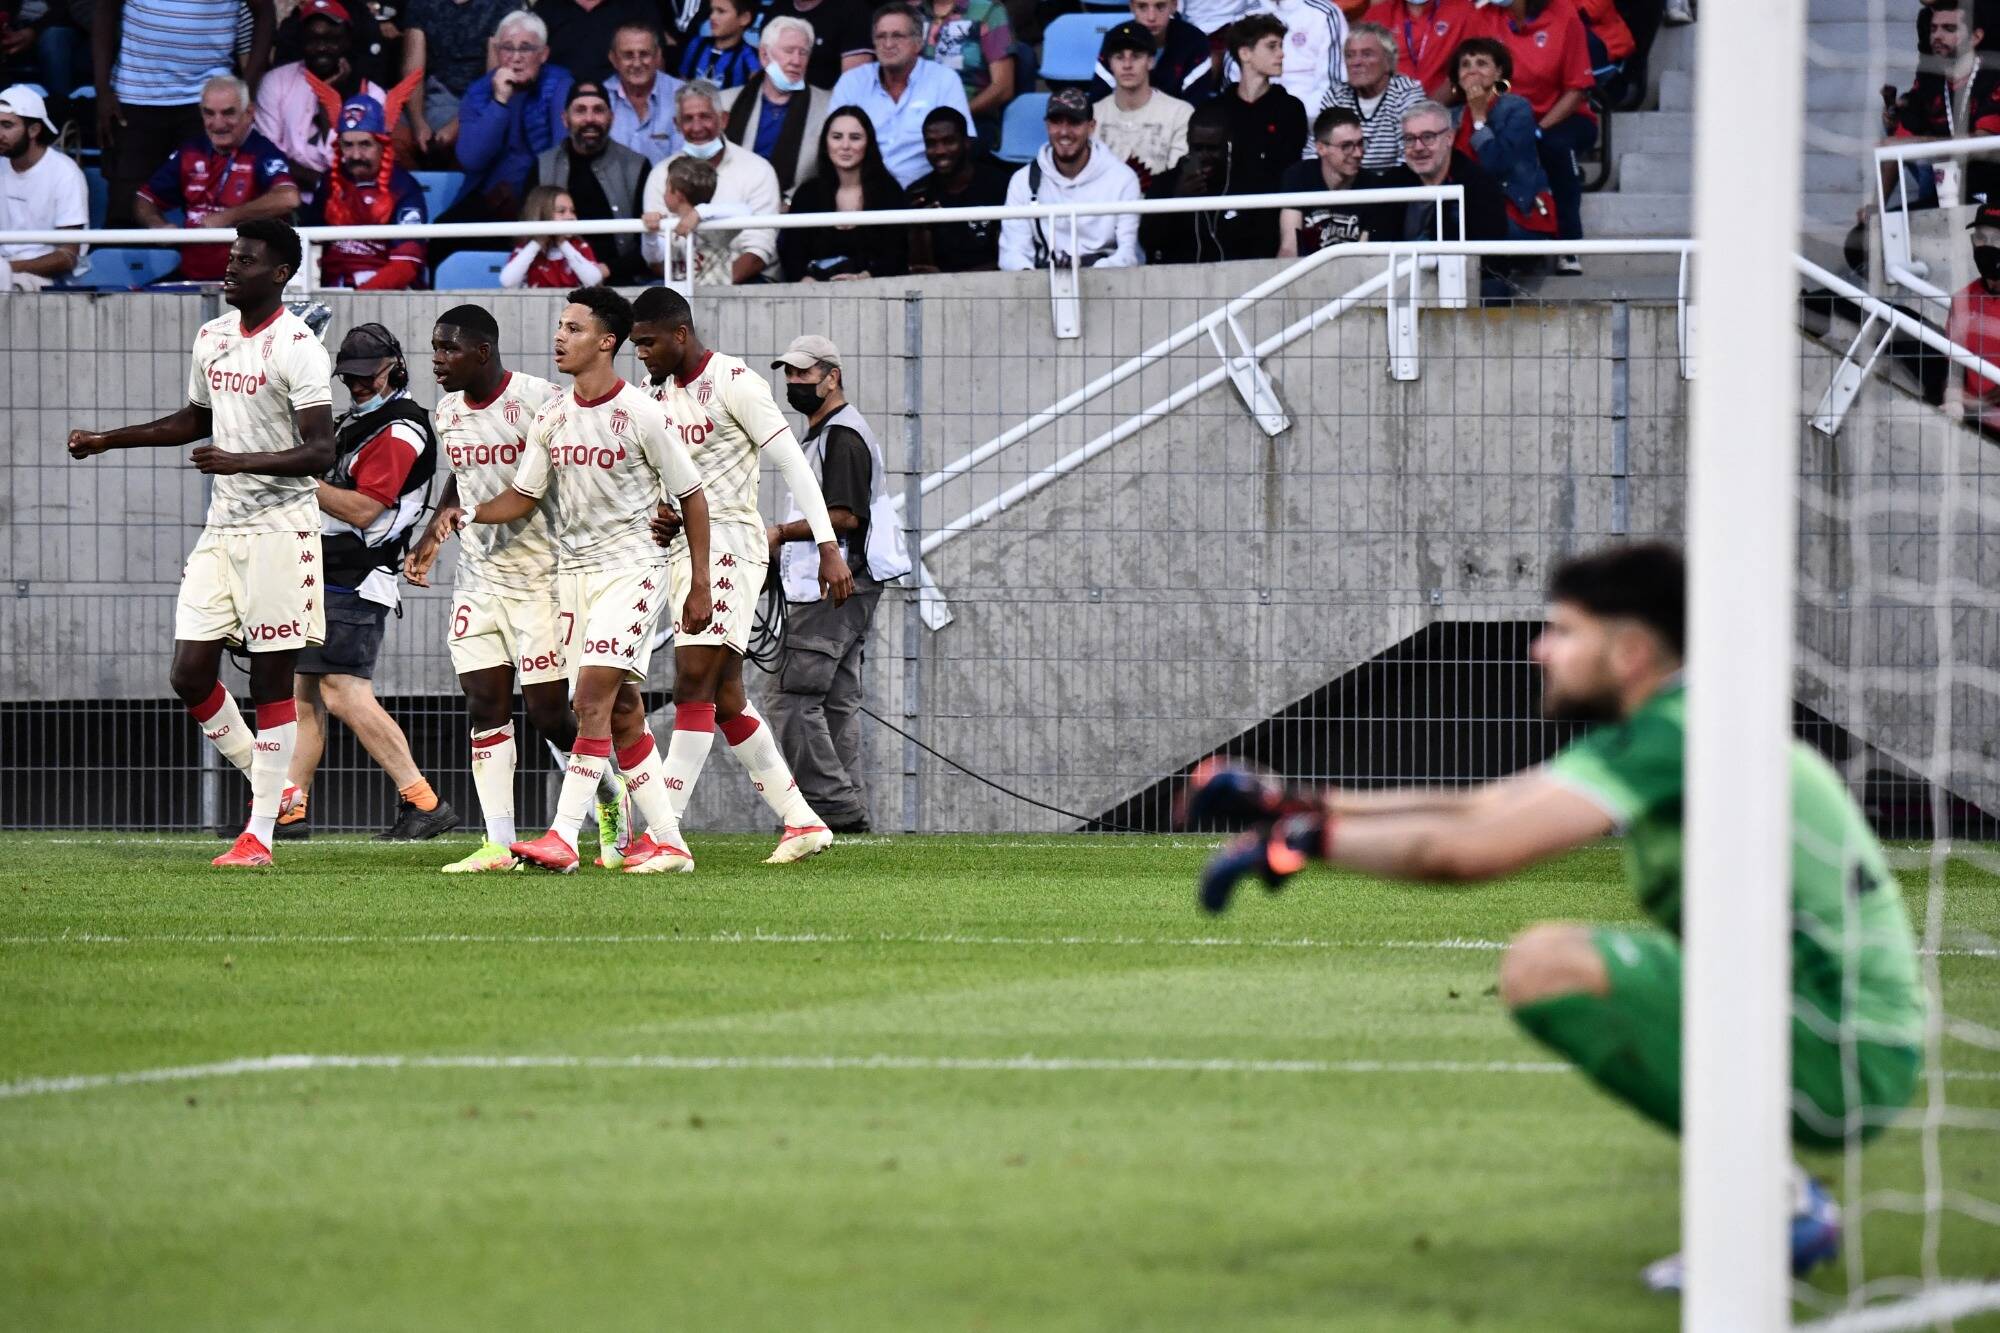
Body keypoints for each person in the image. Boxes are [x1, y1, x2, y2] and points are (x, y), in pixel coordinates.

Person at [1188, 542, 1923, 1292]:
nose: (1539, 648)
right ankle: (1766, 1198)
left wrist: (1310, 841)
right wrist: (1298, 805)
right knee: (1555, 956)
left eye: (1563, 630)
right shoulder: (1674, 724)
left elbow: (1470, 848)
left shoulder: (1680, 733)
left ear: (1630, 649)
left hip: (1843, 1048)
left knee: (1548, 964)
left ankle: (1771, 1203)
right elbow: (1483, 804)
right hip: (1800, 1021)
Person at [65, 219, 334, 869]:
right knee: (188, 671)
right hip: (222, 530)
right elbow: (194, 419)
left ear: (280, 274)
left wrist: (242, 463)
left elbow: (324, 449)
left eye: (247, 259)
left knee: (274, 681)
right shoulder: (211, 335)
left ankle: (259, 835)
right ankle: (272, 788)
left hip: (282, 531)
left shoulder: (298, 345)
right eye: (232, 254)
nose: (232, 265)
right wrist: (109, 439)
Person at [462, 286, 715, 875]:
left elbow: (693, 495)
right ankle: (671, 843)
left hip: (632, 570)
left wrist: (699, 583)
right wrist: (465, 512)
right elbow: (524, 496)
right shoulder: (552, 414)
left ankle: (562, 835)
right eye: (560, 326)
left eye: (573, 328)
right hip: (572, 575)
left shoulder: (643, 413)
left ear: (607, 342)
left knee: (590, 699)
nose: (559, 337)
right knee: (623, 710)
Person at [402, 304, 632, 872]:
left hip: (543, 579)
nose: (437, 359)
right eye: (435, 347)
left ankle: (612, 798)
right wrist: (435, 532)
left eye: (449, 348)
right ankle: (498, 843)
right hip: (479, 579)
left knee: (551, 713)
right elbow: (461, 473)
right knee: (484, 704)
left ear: (482, 352)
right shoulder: (447, 411)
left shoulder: (539, 401)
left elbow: (573, 469)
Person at [628, 291, 855, 861]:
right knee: (727, 696)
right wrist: (663, 512)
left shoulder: (736, 381)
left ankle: (665, 831)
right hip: (687, 546)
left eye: (648, 343)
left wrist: (828, 547)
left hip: (730, 545)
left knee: (692, 686)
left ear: (680, 334)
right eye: (635, 345)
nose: (641, 355)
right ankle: (802, 822)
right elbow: (673, 478)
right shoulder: (658, 394)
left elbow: (794, 465)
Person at [276, 323, 458, 843]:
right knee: (304, 696)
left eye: (365, 375)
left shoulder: (398, 429)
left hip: (355, 576)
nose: (355, 384)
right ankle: (289, 810)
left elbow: (363, 510)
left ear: (393, 368)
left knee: (342, 692)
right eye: (348, 376)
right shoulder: (362, 420)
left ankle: (424, 801)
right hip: (329, 573)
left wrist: (297, 477)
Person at [766, 334, 905, 836]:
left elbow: (844, 515)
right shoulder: (831, 432)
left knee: (791, 696)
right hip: (848, 583)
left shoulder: (840, 435)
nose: (794, 382)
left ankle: (832, 809)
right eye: (789, 374)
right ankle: (849, 813)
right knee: (835, 702)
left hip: (834, 584)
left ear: (833, 376)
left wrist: (779, 533)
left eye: (804, 374)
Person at [94, 0, 276, 227]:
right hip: (135, 97)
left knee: (213, 210)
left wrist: (244, 91)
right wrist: (101, 89)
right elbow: (104, 9)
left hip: (208, 102)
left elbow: (266, 12)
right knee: (126, 209)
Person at [135, 76, 302, 284]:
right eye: (209, 113)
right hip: (191, 276)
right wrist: (157, 225)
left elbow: (288, 198)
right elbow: (145, 198)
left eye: (228, 113)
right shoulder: (191, 151)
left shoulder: (261, 151)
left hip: (250, 281)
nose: (218, 123)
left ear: (249, 113)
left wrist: (228, 217)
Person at [641, 79, 783, 282]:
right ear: (677, 125)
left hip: (744, 281)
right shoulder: (660, 173)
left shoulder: (758, 169)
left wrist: (714, 285)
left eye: (705, 117)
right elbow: (656, 260)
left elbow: (758, 250)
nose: (697, 127)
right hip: (680, 281)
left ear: (723, 119)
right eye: (688, 119)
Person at [828, 2, 975, 188]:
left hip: (926, 195)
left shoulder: (944, 80)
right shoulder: (852, 82)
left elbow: (961, 146)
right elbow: (832, 144)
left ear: (918, 43)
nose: (888, 44)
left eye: (897, 36)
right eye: (881, 37)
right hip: (863, 193)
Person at [1493, 0, 1594, 271]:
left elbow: (1577, 90)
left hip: (1562, 115)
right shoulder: (1485, 15)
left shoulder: (1564, 14)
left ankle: (1569, 244)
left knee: (1555, 147)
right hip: (1508, 114)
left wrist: (1538, 129)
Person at [998, 86, 1144, 271]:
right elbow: (1012, 253)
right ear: (1047, 126)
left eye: (1074, 122)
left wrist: (1090, 276)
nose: (1064, 132)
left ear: (1091, 127)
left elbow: (1128, 255)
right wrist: (1033, 284)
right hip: (1043, 284)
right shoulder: (1022, 181)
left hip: (1107, 283)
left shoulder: (1123, 179)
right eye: (1057, 122)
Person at [451, 9, 572, 223]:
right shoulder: (478, 91)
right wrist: (499, 102)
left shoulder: (559, 84)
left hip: (542, 201)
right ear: (497, 51)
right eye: (507, 48)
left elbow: (561, 154)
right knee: (442, 240)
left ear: (543, 54)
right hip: (487, 200)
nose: (515, 58)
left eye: (526, 49)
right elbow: (471, 159)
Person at [255, 0, 386, 193]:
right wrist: (319, 184)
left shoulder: (372, 94)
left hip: (351, 198)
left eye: (332, 39)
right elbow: (266, 156)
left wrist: (327, 100)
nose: (322, 47)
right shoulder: (276, 82)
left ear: (347, 40)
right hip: (289, 194)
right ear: (301, 42)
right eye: (313, 40)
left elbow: (360, 164)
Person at [306, 90, 430, 289]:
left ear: (383, 144)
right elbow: (307, 245)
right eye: (348, 145)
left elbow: (406, 265)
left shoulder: (404, 187)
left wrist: (359, 299)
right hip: (332, 291)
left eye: (365, 144)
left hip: (385, 296)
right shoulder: (330, 182)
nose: (356, 155)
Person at [1886, 0, 2000, 210]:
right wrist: (1912, 102)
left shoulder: (1990, 11)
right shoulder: (1925, 20)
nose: (1937, 36)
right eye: (1933, 29)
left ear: (1976, 35)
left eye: (1948, 29)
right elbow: (1927, 73)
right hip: (1951, 124)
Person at [532, 78, 650, 280]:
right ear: (564, 119)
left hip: (621, 282)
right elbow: (526, 236)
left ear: (611, 118)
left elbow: (649, 243)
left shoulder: (635, 166)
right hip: (556, 282)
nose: (589, 119)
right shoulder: (543, 166)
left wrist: (606, 271)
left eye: (598, 110)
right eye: (580, 110)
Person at [780, 106, 910, 279]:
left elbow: (897, 254)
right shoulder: (807, 194)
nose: (845, 146)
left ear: (868, 143)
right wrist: (806, 280)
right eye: (837, 137)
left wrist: (863, 277)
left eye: (855, 138)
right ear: (825, 144)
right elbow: (791, 254)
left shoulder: (889, 192)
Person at [1140, 101, 1278, 263]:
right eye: (1198, 148)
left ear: (1228, 144)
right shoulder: (1166, 183)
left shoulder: (1250, 183)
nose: (1204, 156)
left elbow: (1266, 243)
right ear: (1188, 142)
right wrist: (1177, 201)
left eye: (1212, 149)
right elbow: (1148, 241)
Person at [1447, 35, 1554, 240]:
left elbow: (1496, 164)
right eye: (1465, 64)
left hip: (1512, 209)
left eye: (1482, 63)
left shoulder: (1517, 109)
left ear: (1498, 72)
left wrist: (1479, 118)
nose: (1472, 70)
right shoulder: (1451, 116)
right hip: (1462, 207)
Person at [720, 15, 832, 198]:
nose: (796, 61)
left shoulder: (827, 107)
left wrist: (790, 203)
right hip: (731, 204)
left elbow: (828, 172)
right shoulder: (726, 103)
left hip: (793, 212)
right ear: (764, 55)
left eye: (803, 53)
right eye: (789, 51)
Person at [1366, 97, 1506, 241]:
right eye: (1409, 139)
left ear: (1449, 138)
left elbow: (1488, 256)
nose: (1418, 147)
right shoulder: (1390, 184)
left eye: (1428, 137)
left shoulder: (1480, 187)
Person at [399, 0, 511, 162]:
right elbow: (412, 69)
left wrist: (456, 125)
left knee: (469, 142)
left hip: (476, 99)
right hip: (429, 95)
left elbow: (492, 78)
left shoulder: (501, 5)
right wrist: (417, 122)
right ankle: (411, 187)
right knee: (392, 138)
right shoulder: (420, 4)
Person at [0, 84, 86, 290]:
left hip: (44, 279)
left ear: (34, 130)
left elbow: (67, 256)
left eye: (7, 125)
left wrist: (7, 268)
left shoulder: (65, 172)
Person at [906, 105, 1011, 271]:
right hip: (939, 292)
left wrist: (956, 279)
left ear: (967, 143)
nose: (940, 151)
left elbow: (1009, 260)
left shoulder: (999, 186)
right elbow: (919, 270)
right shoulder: (918, 194)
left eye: (949, 141)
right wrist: (919, 229)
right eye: (931, 143)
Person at [1094, 21, 1194, 185]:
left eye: (1136, 56)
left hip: (1161, 206)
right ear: (1110, 64)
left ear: (1151, 61)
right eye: (1119, 57)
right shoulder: (1094, 115)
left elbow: (1178, 178)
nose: (1127, 65)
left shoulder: (1180, 113)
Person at [1217, 13, 1307, 193]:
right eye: (1272, 47)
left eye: (1281, 46)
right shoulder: (1216, 110)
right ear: (1245, 53)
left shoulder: (1291, 109)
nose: (1281, 54)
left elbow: (1291, 169)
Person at [1278, 105, 1384, 255]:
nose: (1358, 153)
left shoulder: (1373, 186)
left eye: (1361, 143)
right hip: (1306, 273)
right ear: (1321, 148)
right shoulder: (1298, 176)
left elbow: (1364, 255)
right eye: (1346, 146)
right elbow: (1289, 247)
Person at [1321, 21, 1423, 170]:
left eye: (1366, 54)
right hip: (1346, 186)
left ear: (1388, 61)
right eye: (1350, 55)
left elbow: (1411, 157)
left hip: (1394, 187)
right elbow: (1317, 153)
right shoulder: (1335, 96)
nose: (1356, 62)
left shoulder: (1406, 93)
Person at [1089, 0, 1218, 105]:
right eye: (1142, 7)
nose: (1151, 17)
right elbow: (1098, 101)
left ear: (1174, 6)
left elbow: (1195, 105)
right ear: (1132, 7)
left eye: (1160, 6)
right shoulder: (1115, 38)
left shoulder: (1195, 41)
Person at [919, 0, 1012, 143]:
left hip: (972, 118)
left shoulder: (988, 11)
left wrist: (957, 115)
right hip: (916, 116)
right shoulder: (913, 14)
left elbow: (1003, 87)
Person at [1944, 202, 2000, 437]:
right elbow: (1952, 363)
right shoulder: (1963, 299)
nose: (1987, 246)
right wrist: (1956, 397)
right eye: (1980, 238)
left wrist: (1978, 404)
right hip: (1973, 420)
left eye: (1997, 238)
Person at [1241, 0, 1347, 120]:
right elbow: (1237, 79)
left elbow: (1334, 83)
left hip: (1312, 122)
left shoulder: (1325, 14)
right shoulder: (1246, 16)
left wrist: (1297, 117)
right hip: (1257, 120)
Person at [1360, 0, 1480, 98]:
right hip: (1389, 109)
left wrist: (1431, 109)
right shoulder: (1378, 14)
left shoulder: (1462, 11)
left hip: (1444, 108)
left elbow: (1469, 67)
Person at [649, 154, 739, 284]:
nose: (663, 193)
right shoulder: (669, 224)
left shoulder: (715, 225)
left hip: (715, 300)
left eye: (667, 188)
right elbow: (653, 258)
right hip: (680, 300)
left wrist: (699, 213)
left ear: (678, 195)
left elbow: (744, 211)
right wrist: (649, 232)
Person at [606, 22, 684, 164]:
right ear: (613, 59)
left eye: (644, 54)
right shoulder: (601, 98)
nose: (637, 63)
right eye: (628, 55)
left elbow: (685, 162)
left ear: (658, 56)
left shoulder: (682, 96)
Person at [764, 0, 874, 91]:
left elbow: (854, 84)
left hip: (827, 106)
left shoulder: (852, 10)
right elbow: (764, 64)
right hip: (775, 100)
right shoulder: (776, 9)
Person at [538, 0, 657, 83]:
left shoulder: (639, 5)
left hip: (624, 100)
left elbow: (655, 58)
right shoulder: (546, 8)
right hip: (560, 103)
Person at [678, 0, 761, 87]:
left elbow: (753, 94)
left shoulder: (751, 57)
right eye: (712, 11)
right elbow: (682, 84)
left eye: (721, 11)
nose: (712, 16)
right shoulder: (696, 44)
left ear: (744, 18)